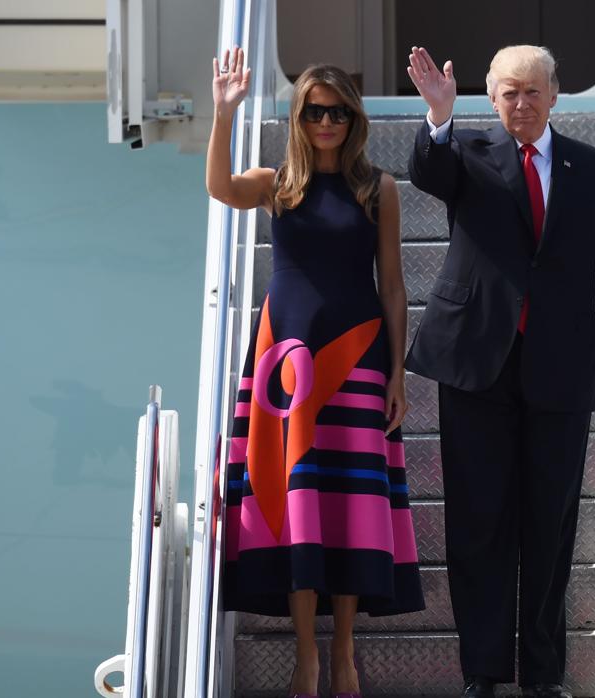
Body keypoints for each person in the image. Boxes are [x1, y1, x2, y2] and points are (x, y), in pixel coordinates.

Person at [405, 45, 595, 698]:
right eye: (508, 92)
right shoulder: (467, 156)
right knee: (478, 525)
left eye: (533, 91)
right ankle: (482, 671)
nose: (521, 104)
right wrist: (438, 117)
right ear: (491, 96)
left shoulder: (593, 170)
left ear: (556, 95)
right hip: (477, 367)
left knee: (550, 528)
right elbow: (427, 171)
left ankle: (542, 676)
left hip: (556, 371)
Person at [207, 48, 424, 698]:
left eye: (336, 111)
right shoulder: (277, 183)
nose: (325, 121)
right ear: (299, 117)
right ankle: (306, 658)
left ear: (353, 119)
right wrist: (224, 113)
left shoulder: (377, 187)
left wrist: (397, 376)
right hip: (288, 365)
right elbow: (220, 188)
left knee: (352, 506)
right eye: (313, 111)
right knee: (298, 505)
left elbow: (392, 288)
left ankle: (345, 655)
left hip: (358, 358)